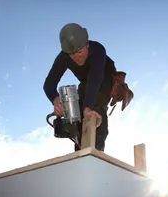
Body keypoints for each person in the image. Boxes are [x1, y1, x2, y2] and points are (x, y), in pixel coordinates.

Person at [43, 23, 117, 151]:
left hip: (104, 75)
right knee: (77, 115)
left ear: (87, 44)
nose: (77, 57)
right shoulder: (63, 57)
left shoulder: (98, 50)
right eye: (72, 55)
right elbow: (48, 84)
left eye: (80, 51)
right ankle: (80, 151)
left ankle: (95, 151)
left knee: (94, 106)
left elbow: (95, 79)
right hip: (86, 81)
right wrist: (56, 101)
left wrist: (88, 108)